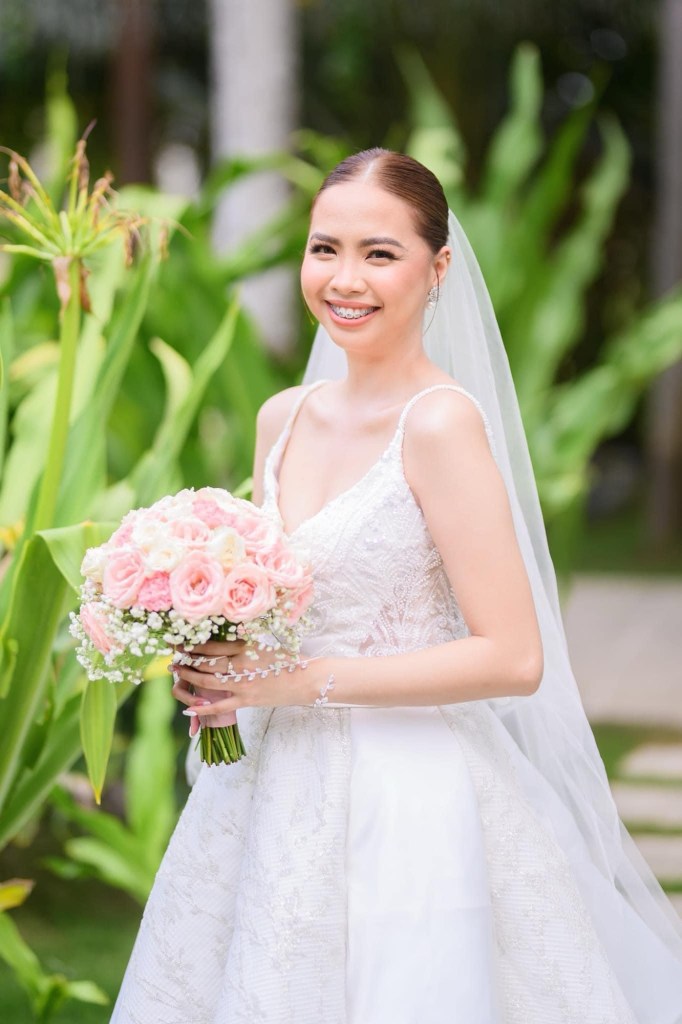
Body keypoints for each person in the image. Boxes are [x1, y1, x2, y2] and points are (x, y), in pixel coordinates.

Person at [110, 149, 682, 1024]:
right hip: (266, 783)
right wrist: (222, 655)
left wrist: (299, 682)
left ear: (437, 267)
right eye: (325, 249)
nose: (345, 279)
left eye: (379, 253)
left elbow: (513, 657)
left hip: (407, 795)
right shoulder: (282, 417)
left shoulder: (440, 425)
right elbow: (282, 604)